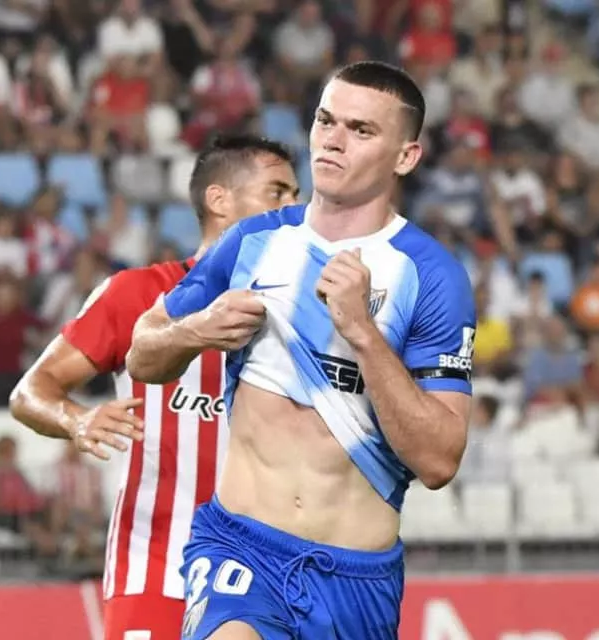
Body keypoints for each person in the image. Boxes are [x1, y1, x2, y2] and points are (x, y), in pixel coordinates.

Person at [126, 61, 476, 640]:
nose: (333, 140)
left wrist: (363, 333)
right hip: (239, 548)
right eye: (325, 120)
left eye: (361, 130)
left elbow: (439, 462)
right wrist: (197, 330)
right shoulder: (254, 240)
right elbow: (141, 353)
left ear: (406, 156)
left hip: (355, 580)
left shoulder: (431, 275)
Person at [8, 135, 300, 640]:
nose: (294, 209)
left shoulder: (304, 310)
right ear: (219, 200)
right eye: (277, 192)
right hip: (157, 565)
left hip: (267, 574)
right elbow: (32, 390)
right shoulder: (138, 294)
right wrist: (77, 418)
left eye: (296, 194)